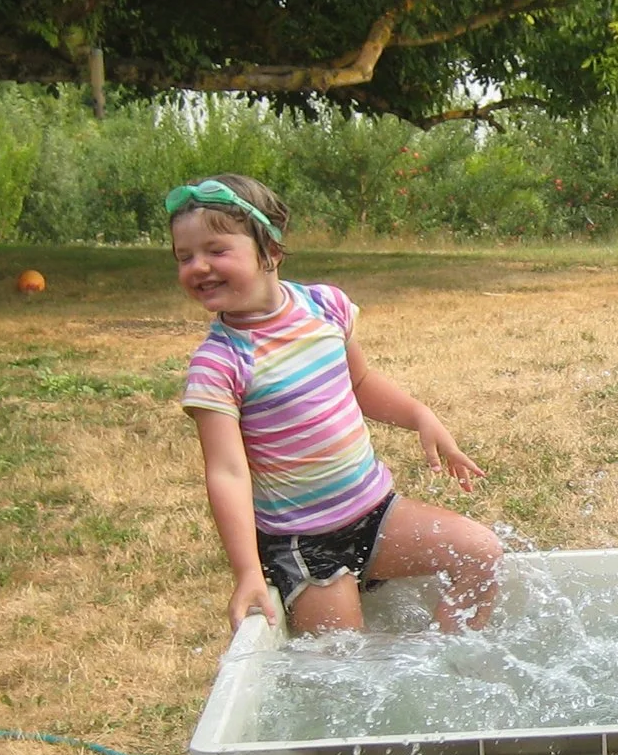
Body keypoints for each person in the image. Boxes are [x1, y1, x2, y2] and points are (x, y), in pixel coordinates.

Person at [171, 175, 503, 636]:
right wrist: (248, 571)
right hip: (303, 543)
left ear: (271, 250)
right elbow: (226, 472)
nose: (198, 267)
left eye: (215, 250)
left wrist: (420, 415)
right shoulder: (220, 362)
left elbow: (361, 382)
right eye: (185, 257)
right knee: (344, 661)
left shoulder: (324, 307)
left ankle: (446, 661)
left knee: (481, 554)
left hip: (376, 511)